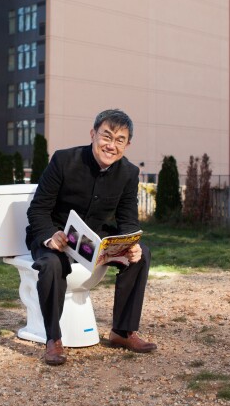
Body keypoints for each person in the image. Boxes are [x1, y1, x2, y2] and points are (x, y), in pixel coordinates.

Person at [25, 109, 157, 365]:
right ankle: (53, 339)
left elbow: (127, 218)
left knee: (140, 255)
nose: (111, 145)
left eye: (120, 140)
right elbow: (38, 209)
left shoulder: (129, 173)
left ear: (127, 145)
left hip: (91, 239)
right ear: (93, 134)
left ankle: (122, 331)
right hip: (56, 234)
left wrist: (132, 244)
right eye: (106, 136)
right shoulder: (64, 160)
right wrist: (50, 237)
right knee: (52, 264)